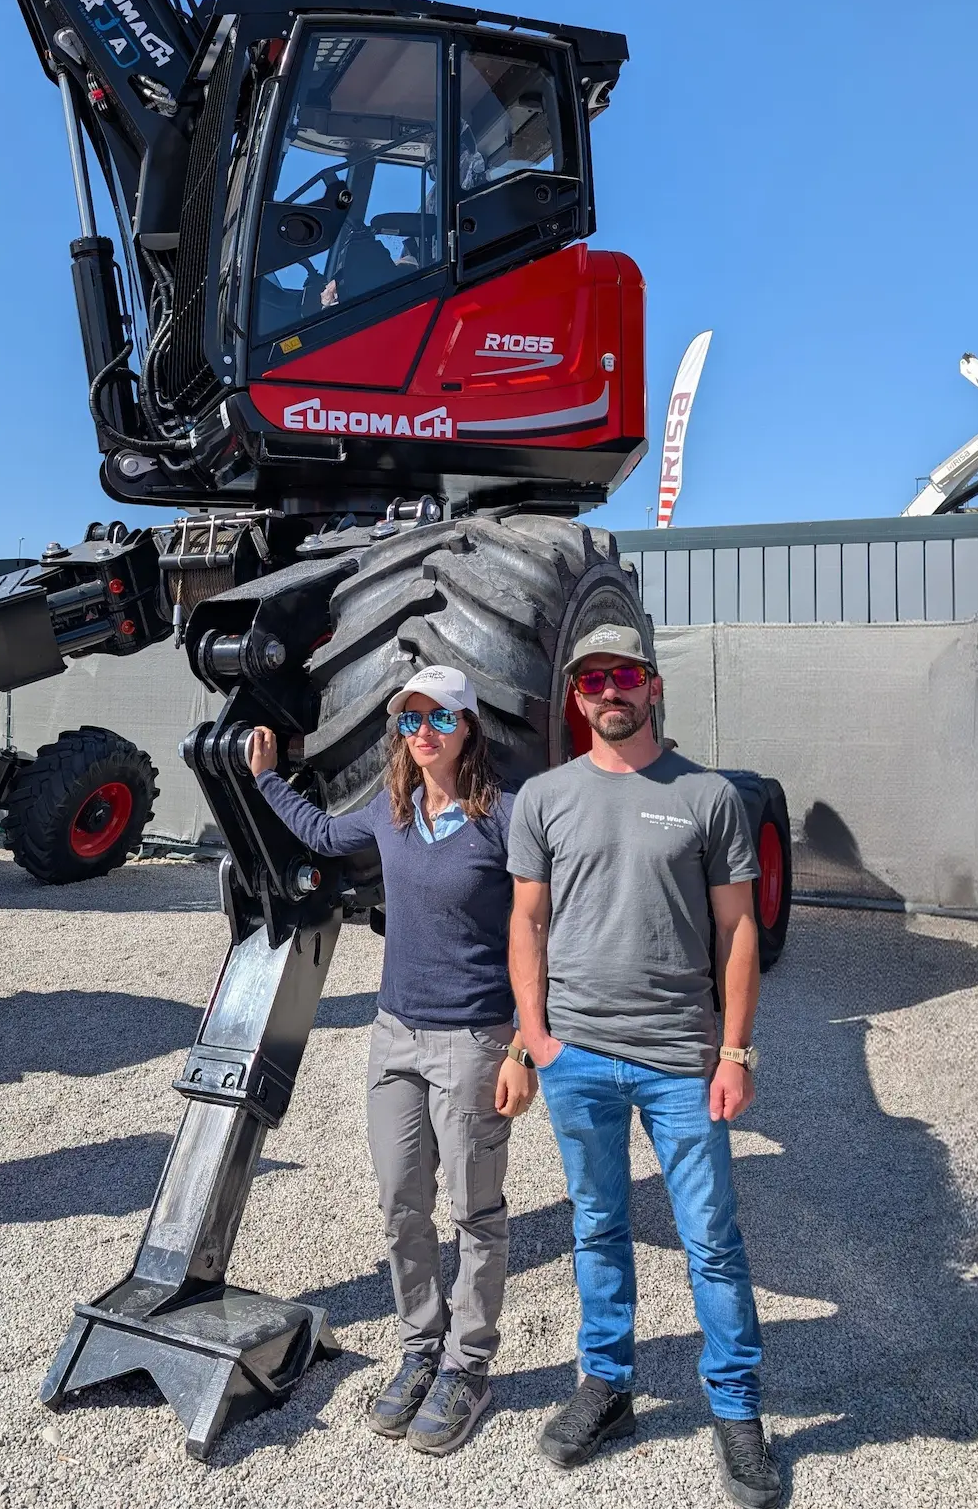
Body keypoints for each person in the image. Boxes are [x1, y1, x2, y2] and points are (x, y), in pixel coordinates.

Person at [506, 625, 782, 1509]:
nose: (608, 691)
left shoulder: (705, 796)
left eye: (622, 674)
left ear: (652, 686)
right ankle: (607, 1387)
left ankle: (735, 1411)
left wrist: (733, 1051)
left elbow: (737, 930)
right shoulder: (544, 797)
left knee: (710, 1240)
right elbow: (528, 923)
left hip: (680, 1063)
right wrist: (535, 1038)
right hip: (576, 1057)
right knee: (597, 1225)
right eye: (591, 680)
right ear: (575, 697)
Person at [248, 664, 536, 1456]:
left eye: (439, 718)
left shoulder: (506, 818)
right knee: (400, 1203)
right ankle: (420, 1350)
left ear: (468, 727)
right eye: (411, 720)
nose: (424, 733)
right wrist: (266, 781)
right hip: (394, 1035)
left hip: (474, 1040)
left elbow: (540, 931)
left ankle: (467, 1367)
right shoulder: (390, 809)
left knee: (475, 1211)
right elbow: (319, 836)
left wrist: (524, 1045)